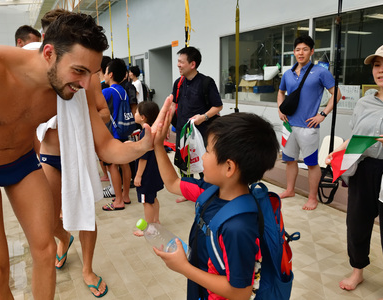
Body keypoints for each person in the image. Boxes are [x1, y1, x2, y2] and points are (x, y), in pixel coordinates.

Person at [0, 12, 168, 298]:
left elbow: (105, 146)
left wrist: (145, 145)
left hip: (22, 164)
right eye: (79, 71)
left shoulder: (71, 87)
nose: (85, 84)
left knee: (45, 251)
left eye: (91, 74)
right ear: (48, 52)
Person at [152, 103, 279, 299]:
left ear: (229, 167)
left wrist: (184, 268)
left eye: (208, 151)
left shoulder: (238, 227)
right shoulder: (210, 191)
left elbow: (240, 292)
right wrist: (157, 145)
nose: (202, 156)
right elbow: (173, 182)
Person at [32, 9, 111, 297]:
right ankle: (63, 238)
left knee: (86, 216)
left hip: (79, 156)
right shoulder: (38, 78)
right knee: (50, 218)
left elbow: (104, 113)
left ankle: (87, 268)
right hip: (50, 157)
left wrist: (82, 123)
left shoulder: (85, 78)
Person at [326, 44, 383, 293]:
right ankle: (357, 270)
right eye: (377, 65)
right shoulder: (364, 102)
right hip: (364, 168)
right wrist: (338, 152)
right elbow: (356, 136)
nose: (381, 70)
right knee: (357, 223)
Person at [277, 35, 341, 210]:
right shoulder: (288, 74)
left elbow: (337, 94)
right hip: (289, 125)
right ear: (294, 52)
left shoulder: (321, 72)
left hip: (309, 126)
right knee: (289, 160)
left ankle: (313, 198)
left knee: (312, 163)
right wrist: (280, 108)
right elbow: (281, 92)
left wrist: (322, 114)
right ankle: (290, 189)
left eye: (305, 49)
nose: (301, 52)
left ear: (312, 52)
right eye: (297, 49)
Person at [172, 46, 223, 203]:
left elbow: (218, 106)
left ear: (192, 64)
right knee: (184, 164)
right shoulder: (178, 83)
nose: (178, 65)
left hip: (202, 132)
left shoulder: (206, 83)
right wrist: (167, 126)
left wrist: (204, 117)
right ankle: (188, 192)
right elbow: (173, 106)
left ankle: (206, 193)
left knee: (203, 164)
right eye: (178, 61)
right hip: (182, 132)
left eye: (181, 62)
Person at [101, 58, 133, 210]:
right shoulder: (123, 91)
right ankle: (125, 196)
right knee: (124, 164)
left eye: (105, 72)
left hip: (112, 134)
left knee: (113, 165)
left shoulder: (107, 92)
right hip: (123, 131)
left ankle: (118, 200)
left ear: (111, 74)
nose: (104, 75)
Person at [132, 101, 163, 237]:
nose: (134, 114)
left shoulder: (145, 133)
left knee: (146, 202)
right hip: (155, 171)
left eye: (137, 112)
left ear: (143, 117)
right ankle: (156, 221)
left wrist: (138, 176)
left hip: (146, 174)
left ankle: (150, 228)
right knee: (153, 198)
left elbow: (143, 158)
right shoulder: (152, 130)